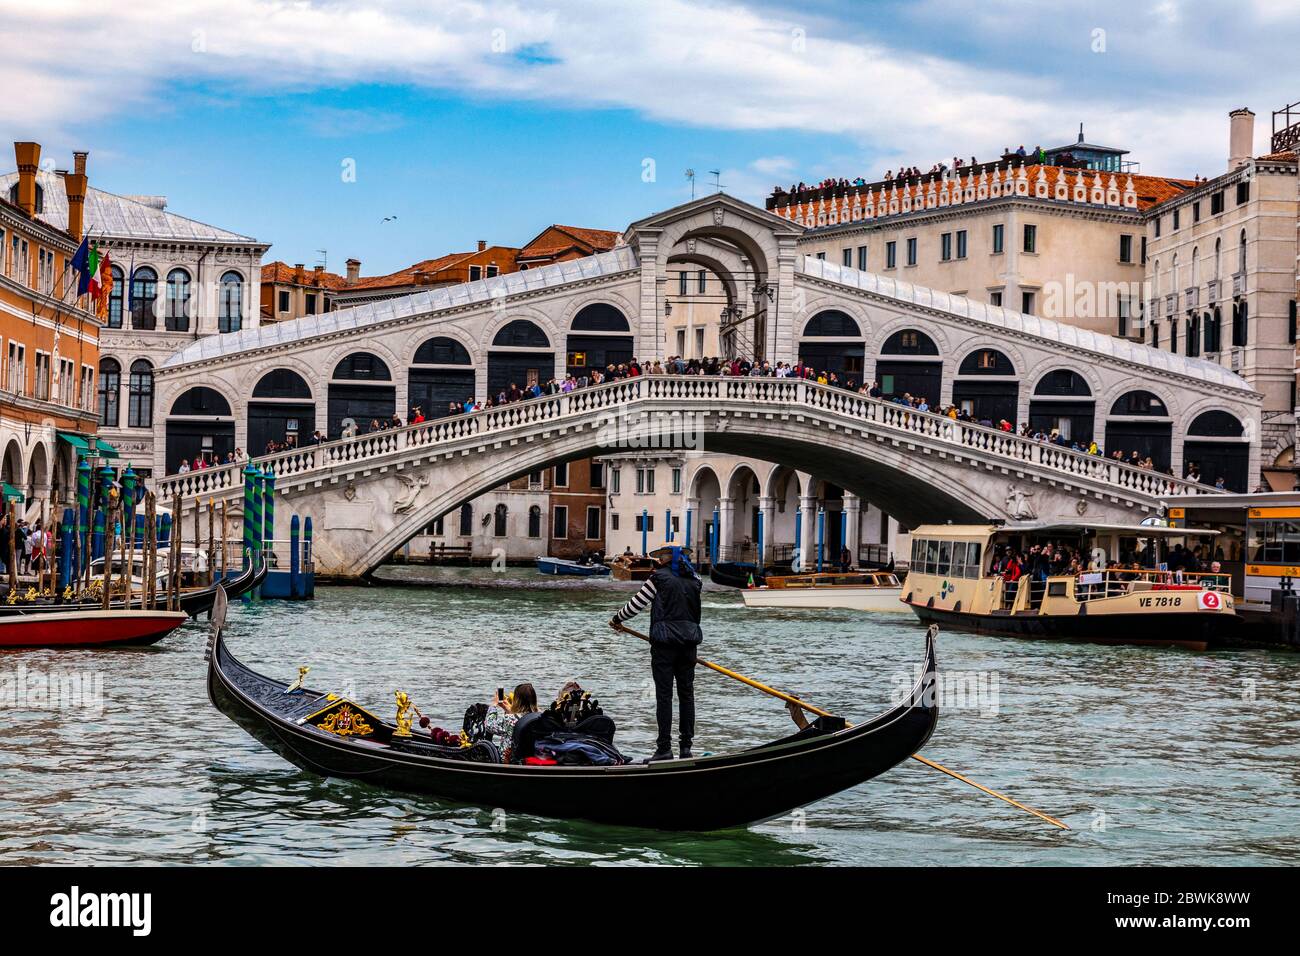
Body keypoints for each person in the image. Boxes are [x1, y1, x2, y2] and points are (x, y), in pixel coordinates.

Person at [609, 545, 702, 761]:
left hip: (664, 645)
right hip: (689, 644)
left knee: (664, 696)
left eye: (660, 558)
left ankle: (664, 749)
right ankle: (686, 749)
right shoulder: (696, 581)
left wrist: (617, 619)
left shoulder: (657, 579)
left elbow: (636, 605)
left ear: (665, 560)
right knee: (687, 695)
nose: (658, 562)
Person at [484, 682, 538, 761]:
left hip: (509, 760)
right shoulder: (540, 717)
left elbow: (489, 725)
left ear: (517, 700)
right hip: (531, 758)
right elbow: (521, 718)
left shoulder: (510, 719)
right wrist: (507, 709)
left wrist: (494, 705)